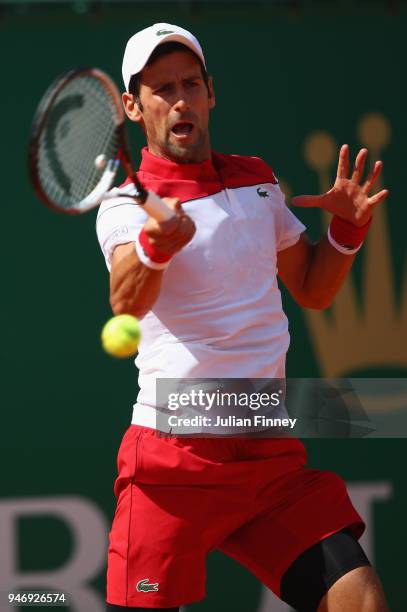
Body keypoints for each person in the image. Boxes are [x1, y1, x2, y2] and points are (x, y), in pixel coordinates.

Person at [96, 23, 390, 612]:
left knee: (360, 601)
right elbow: (126, 300)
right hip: (172, 457)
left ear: (210, 92)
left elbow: (310, 287)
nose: (180, 99)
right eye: (161, 88)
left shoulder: (257, 179)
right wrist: (157, 246)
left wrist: (346, 231)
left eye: (190, 84)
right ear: (133, 106)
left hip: (264, 451)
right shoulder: (127, 203)